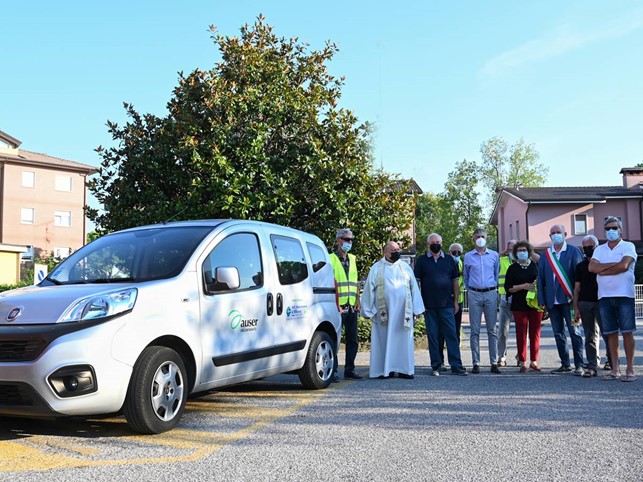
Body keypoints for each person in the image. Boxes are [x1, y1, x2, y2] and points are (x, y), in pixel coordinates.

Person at [361, 241, 425, 379]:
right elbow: (369, 290)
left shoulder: (405, 267)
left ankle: (404, 370)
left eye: (398, 249)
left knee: (403, 339)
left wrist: (417, 309)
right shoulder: (376, 268)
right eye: (393, 250)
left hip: (403, 312)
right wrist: (368, 310)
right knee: (384, 339)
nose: (397, 252)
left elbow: (414, 287)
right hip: (384, 313)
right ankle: (385, 370)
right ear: (386, 252)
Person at [589, 216, 638, 382]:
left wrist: (603, 269)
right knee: (610, 334)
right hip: (604, 296)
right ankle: (614, 369)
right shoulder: (599, 249)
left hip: (624, 295)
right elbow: (592, 267)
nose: (611, 231)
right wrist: (614, 265)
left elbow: (624, 265)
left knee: (627, 332)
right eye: (608, 228)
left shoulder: (628, 246)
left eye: (614, 228)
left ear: (620, 229)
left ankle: (630, 370)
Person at [414, 234, 467, 376]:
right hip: (428, 305)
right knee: (433, 335)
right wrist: (418, 304)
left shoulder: (449, 260)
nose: (435, 244)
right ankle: (436, 365)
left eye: (437, 242)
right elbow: (416, 283)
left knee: (451, 334)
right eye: (432, 242)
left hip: (447, 305)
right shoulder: (422, 260)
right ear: (428, 244)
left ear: (442, 243)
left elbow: (455, 282)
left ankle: (456, 365)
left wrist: (456, 301)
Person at [537, 224, 584, 375]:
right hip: (552, 302)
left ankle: (579, 365)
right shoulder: (546, 255)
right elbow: (541, 279)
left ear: (565, 234)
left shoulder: (573, 251)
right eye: (553, 233)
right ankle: (565, 363)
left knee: (574, 332)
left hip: (570, 301)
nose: (556, 235)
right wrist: (541, 300)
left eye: (558, 232)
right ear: (550, 236)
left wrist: (579, 299)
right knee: (558, 333)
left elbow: (579, 276)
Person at [573, 234, 612, 378]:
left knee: (608, 333)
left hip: (603, 301)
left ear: (596, 247)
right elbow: (577, 288)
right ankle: (592, 365)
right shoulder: (580, 266)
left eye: (590, 247)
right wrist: (576, 307)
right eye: (585, 247)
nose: (588, 249)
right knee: (589, 335)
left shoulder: (603, 263)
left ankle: (612, 362)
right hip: (585, 303)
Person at [463, 228, 501, 374]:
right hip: (474, 294)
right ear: (473, 239)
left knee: (492, 330)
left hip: (491, 293)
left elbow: (496, 273)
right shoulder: (468, 256)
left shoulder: (494, 255)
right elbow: (466, 276)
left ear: (486, 238)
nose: (480, 238)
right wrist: (471, 289)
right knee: (475, 330)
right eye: (477, 236)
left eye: (482, 236)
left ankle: (493, 362)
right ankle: (476, 362)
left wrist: (492, 287)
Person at [504, 241, 543, 372]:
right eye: (519, 250)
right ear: (515, 253)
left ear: (529, 251)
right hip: (519, 304)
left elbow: (542, 282)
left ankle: (534, 361)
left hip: (535, 304)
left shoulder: (536, 265)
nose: (522, 252)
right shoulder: (512, 268)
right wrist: (523, 286)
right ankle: (522, 361)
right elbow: (508, 288)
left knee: (535, 333)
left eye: (524, 250)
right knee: (521, 333)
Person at [329, 228, 362, 381]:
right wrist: (335, 304)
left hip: (351, 306)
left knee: (352, 340)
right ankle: (333, 371)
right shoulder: (330, 259)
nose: (349, 242)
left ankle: (350, 369)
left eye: (350, 240)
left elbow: (355, 282)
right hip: (338, 306)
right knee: (335, 340)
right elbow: (330, 283)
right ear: (338, 240)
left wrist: (358, 301)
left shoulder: (353, 259)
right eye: (346, 239)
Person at [497, 240, 517, 367]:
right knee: (503, 330)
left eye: (514, 250)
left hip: (520, 299)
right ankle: (501, 356)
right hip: (505, 298)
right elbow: (490, 260)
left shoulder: (524, 262)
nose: (512, 252)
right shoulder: (502, 261)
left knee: (522, 330)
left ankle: (521, 356)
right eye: (510, 250)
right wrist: (501, 254)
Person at [449, 243, 465, 346]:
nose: (456, 253)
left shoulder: (460, 263)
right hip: (447, 299)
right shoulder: (446, 262)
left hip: (459, 299)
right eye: (454, 251)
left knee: (457, 326)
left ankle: (456, 347)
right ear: (449, 252)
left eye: (459, 252)